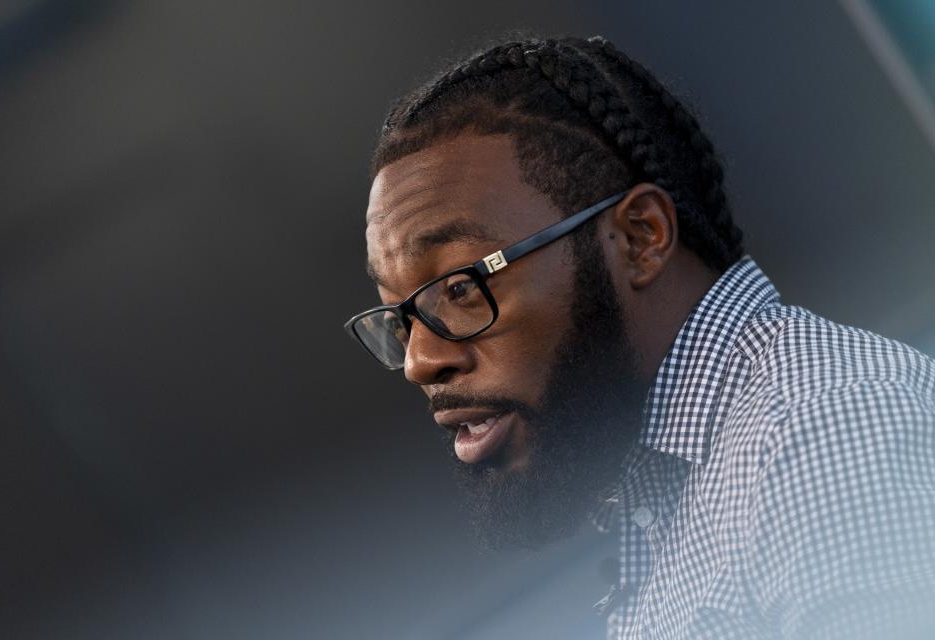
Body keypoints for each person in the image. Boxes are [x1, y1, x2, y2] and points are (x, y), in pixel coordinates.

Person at [343, 34, 935, 639]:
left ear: (640, 238)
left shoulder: (825, 433)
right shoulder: (675, 485)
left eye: (461, 287)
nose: (419, 361)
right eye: (399, 314)